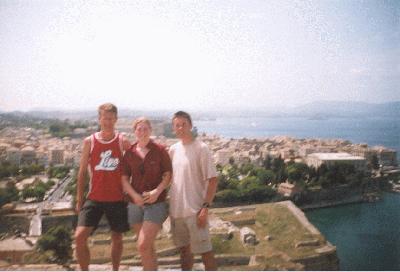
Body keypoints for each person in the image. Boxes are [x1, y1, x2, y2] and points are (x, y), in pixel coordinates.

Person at [74, 103, 130, 271]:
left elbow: (134, 165)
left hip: (117, 198)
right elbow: (82, 172)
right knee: (79, 237)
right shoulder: (89, 141)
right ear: (99, 119)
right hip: (94, 198)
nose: (107, 122)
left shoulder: (122, 141)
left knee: (117, 237)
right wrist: (79, 199)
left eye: (111, 118)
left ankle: (115, 269)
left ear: (116, 119)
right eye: (105, 118)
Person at [169, 111, 218, 271]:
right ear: (173, 128)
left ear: (190, 125)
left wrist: (205, 208)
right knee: (184, 253)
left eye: (184, 124)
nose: (181, 128)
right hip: (177, 212)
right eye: (177, 125)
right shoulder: (173, 150)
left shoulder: (201, 148)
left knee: (205, 252)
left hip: (196, 211)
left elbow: (212, 180)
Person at [121, 117, 172, 271]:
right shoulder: (129, 153)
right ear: (134, 131)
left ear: (150, 130)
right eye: (139, 129)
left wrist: (157, 191)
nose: (142, 132)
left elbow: (168, 175)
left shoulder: (160, 151)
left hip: (155, 203)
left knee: (143, 245)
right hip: (135, 204)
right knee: (148, 247)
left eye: (145, 128)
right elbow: (123, 179)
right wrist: (134, 196)